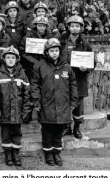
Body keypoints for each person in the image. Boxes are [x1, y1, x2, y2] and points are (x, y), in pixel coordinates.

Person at [30, 38, 78, 167]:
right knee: (47, 130)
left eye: (56, 50)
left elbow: (73, 84)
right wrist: (36, 102)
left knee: (59, 130)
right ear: (47, 52)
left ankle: (56, 152)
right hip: (46, 104)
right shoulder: (39, 66)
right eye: (52, 51)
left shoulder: (66, 66)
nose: (54, 53)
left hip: (63, 104)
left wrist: (73, 101)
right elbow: (34, 85)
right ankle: (48, 153)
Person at [0, 46, 32, 166]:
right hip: (4, 112)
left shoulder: (22, 74)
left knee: (17, 133)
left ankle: (15, 153)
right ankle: (8, 154)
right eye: (8, 57)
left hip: (18, 112)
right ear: (4, 59)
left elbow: (27, 95)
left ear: (17, 59)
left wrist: (25, 111)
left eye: (13, 58)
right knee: (6, 133)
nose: (10, 60)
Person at [59, 15, 94, 139]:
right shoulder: (61, 41)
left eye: (77, 26)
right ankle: (66, 127)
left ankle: (77, 128)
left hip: (79, 79)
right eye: (72, 26)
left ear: (81, 28)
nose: (74, 29)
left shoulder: (85, 44)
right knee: (64, 102)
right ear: (68, 27)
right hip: (63, 78)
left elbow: (92, 61)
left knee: (78, 104)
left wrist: (87, 68)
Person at [19, 16, 55, 80]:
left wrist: (46, 60)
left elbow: (53, 51)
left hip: (46, 65)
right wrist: (33, 61)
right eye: (39, 25)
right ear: (36, 25)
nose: (42, 28)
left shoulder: (50, 37)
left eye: (44, 26)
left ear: (46, 26)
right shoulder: (28, 36)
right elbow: (22, 51)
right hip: (31, 66)